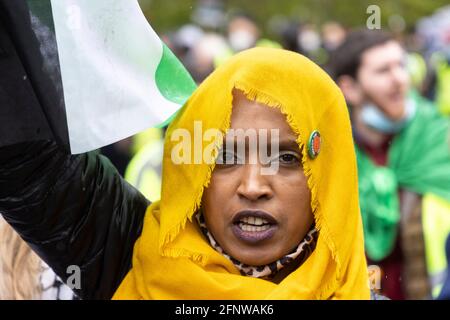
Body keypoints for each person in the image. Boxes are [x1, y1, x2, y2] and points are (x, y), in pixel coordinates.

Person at [1, 47, 370, 299]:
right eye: (224, 155)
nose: (254, 186)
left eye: (287, 158)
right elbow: (27, 154)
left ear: (328, 179)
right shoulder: (127, 254)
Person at [328, 29, 450, 299]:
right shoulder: (329, 155)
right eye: (383, 71)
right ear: (350, 88)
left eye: (401, 66)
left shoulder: (440, 140)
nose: (399, 79)